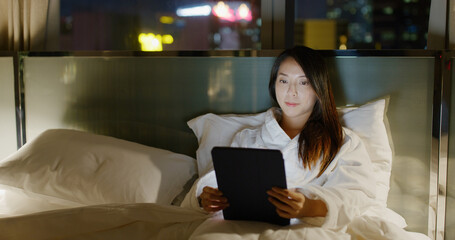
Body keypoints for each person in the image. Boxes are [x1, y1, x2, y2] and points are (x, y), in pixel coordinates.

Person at [194, 46, 376, 229]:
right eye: (283, 81)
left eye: (303, 83)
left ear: (318, 89)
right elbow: (217, 182)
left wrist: (309, 207)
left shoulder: (342, 143)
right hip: (244, 225)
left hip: (306, 228)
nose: (291, 92)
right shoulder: (247, 139)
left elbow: (358, 196)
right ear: (274, 85)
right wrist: (206, 198)